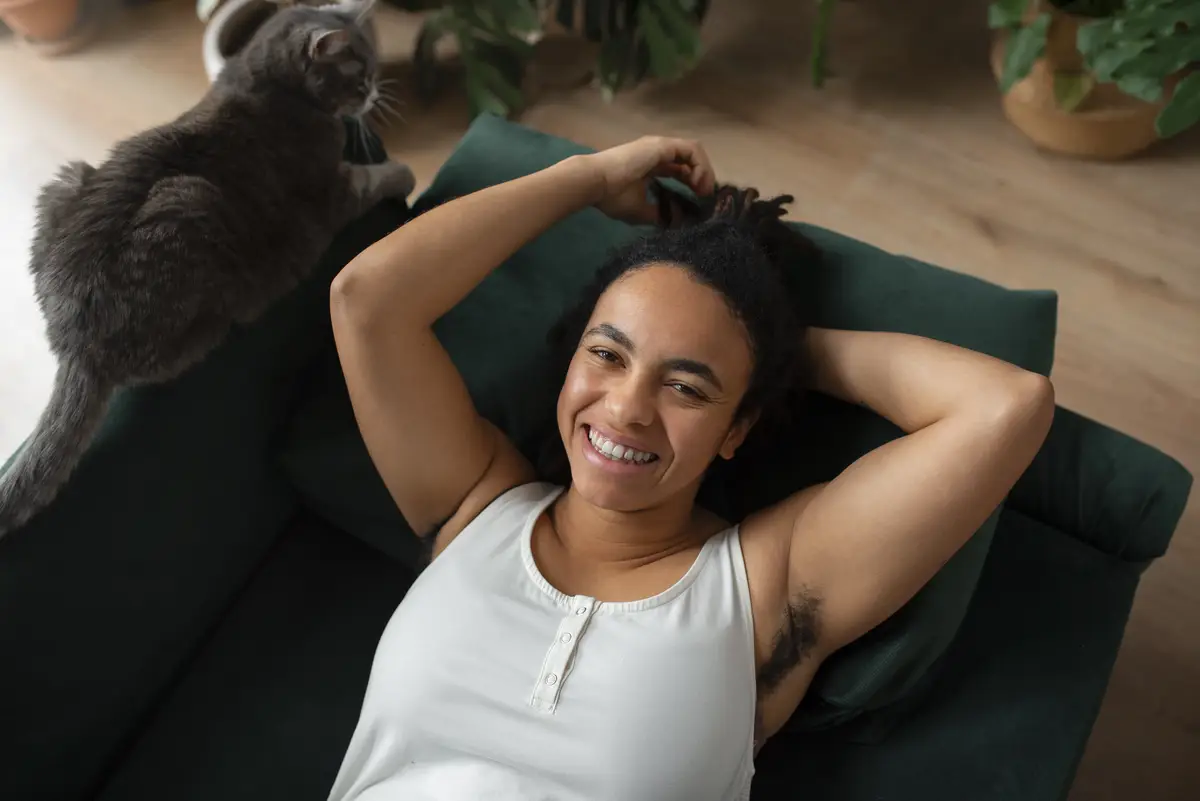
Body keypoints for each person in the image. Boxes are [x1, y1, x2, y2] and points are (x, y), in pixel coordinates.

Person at [324, 136, 1055, 800]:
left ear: (737, 426)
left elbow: (1004, 408)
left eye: (686, 386)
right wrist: (587, 177)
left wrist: (773, 349)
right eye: (607, 354)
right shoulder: (474, 501)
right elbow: (368, 302)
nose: (627, 409)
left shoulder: (763, 588)